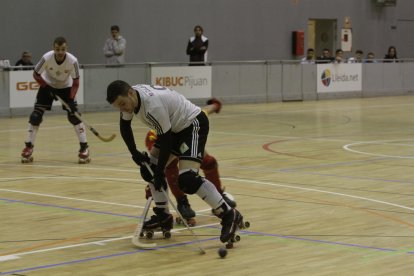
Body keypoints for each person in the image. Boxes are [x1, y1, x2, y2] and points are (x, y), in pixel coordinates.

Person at [106, 81, 244, 244]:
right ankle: (163, 216)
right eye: (118, 107)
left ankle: (229, 215)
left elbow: (166, 141)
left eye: (122, 104)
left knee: (187, 180)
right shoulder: (130, 99)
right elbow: (125, 126)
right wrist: (134, 153)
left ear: (130, 93)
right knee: (149, 170)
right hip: (174, 130)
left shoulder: (152, 106)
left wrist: (159, 172)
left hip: (192, 125)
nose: (123, 109)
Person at [143, 98, 236, 226]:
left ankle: (219, 196)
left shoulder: (189, 116)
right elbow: (156, 166)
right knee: (170, 166)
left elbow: (206, 111)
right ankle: (182, 202)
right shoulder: (153, 136)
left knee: (209, 162)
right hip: (163, 142)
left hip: (185, 138)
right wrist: (152, 183)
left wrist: (215, 105)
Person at [20, 37, 91, 164]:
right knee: (36, 116)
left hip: (66, 87)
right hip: (47, 85)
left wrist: (70, 99)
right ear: (54, 48)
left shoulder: (72, 61)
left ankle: (84, 147)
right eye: (57, 49)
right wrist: (46, 87)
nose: (60, 52)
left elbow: (75, 82)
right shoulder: (47, 58)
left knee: (74, 116)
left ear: (66, 49)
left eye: (62, 49)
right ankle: (28, 147)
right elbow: (36, 74)